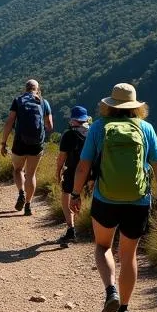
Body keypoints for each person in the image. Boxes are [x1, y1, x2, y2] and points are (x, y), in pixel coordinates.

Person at [70, 82, 157, 312]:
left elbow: (83, 166)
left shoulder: (98, 127)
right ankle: (124, 311)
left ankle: (110, 291)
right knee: (129, 255)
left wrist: (75, 194)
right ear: (137, 107)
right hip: (138, 201)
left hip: (106, 198)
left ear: (109, 105)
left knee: (103, 246)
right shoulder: (146, 128)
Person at [0, 79, 53, 216]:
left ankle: (21, 192)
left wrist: (3, 143)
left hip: (20, 143)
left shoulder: (18, 101)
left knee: (17, 170)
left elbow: (9, 122)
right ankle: (28, 205)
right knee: (31, 174)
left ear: (26, 88)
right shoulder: (44, 102)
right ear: (37, 89)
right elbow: (50, 126)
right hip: (36, 144)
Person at [55, 105, 92, 246]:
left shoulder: (68, 134)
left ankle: (71, 229)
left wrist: (58, 172)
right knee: (88, 199)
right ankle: (89, 226)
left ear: (73, 119)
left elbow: (62, 157)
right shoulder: (93, 132)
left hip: (72, 172)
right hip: (92, 173)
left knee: (66, 199)